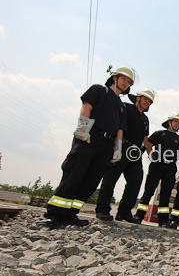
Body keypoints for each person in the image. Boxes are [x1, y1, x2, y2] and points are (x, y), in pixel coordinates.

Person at [40, 66, 137, 228]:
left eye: (129, 82)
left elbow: (120, 128)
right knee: (75, 173)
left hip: (107, 143)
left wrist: (117, 147)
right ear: (115, 78)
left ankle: (71, 214)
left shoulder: (122, 106)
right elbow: (87, 106)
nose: (126, 83)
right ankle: (55, 214)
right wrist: (83, 128)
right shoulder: (99, 90)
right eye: (124, 79)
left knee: (91, 180)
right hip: (90, 137)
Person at [95, 89, 157, 223]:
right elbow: (117, 125)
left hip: (135, 152)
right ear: (137, 98)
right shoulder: (125, 108)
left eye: (149, 101)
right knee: (110, 178)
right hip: (122, 146)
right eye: (144, 99)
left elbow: (145, 138)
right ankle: (102, 209)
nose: (147, 102)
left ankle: (124, 212)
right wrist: (115, 145)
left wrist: (148, 153)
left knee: (136, 181)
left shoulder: (145, 119)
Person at [135, 111, 179, 227]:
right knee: (149, 191)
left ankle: (163, 221)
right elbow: (148, 144)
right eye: (176, 122)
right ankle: (139, 216)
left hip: (171, 167)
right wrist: (151, 156)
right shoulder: (159, 134)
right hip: (157, 165)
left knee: (165, 194)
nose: (177, 124)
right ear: (169, 122)